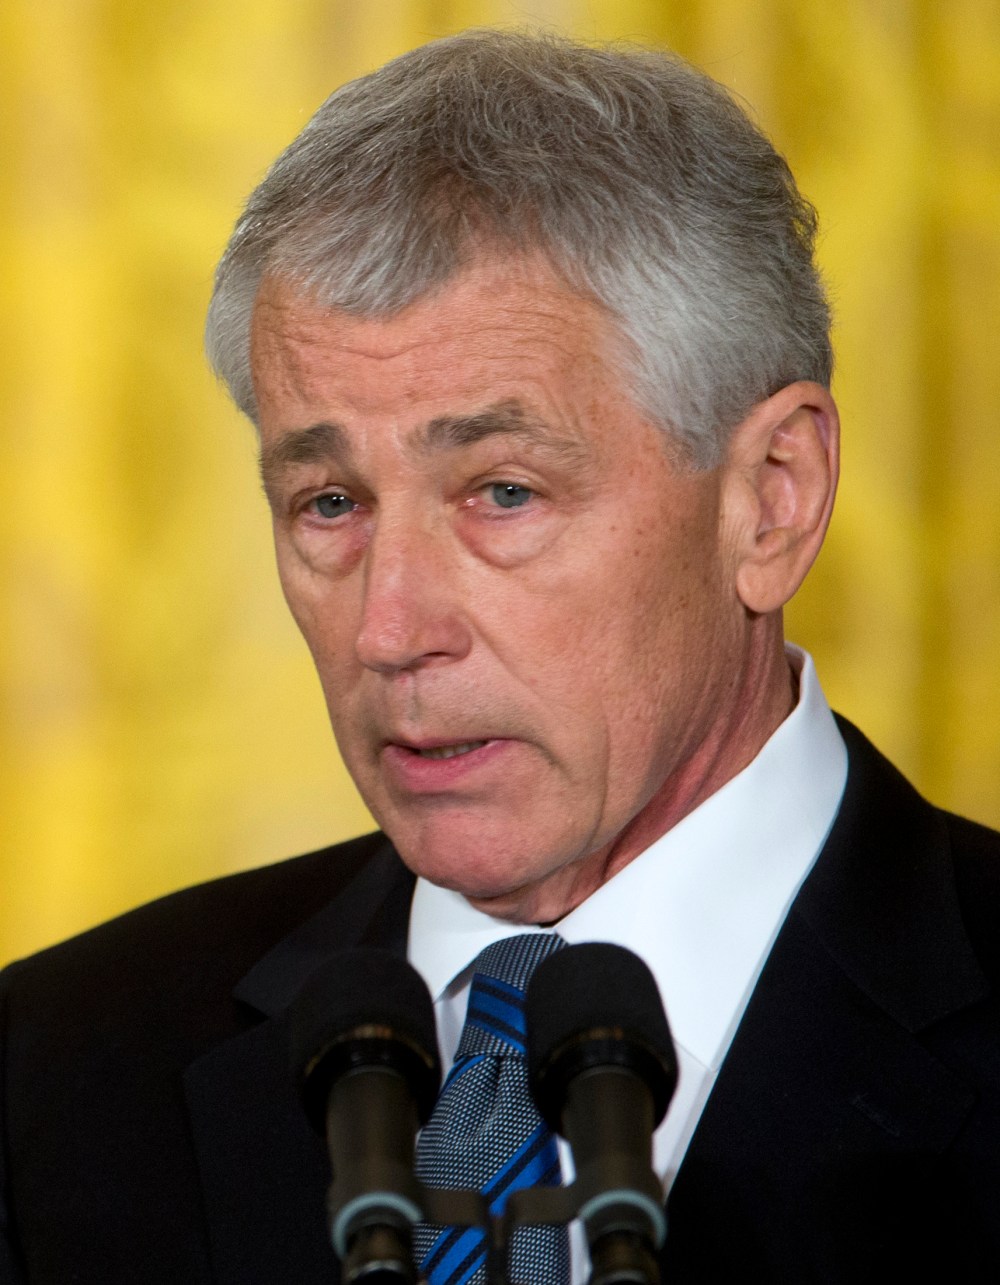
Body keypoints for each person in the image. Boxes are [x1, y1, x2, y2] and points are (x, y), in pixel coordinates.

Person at [2, 28, 998, 1285]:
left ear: (772, 498)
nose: (390, 628)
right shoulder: (49, 1078)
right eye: (328, 504)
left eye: (503, 491)